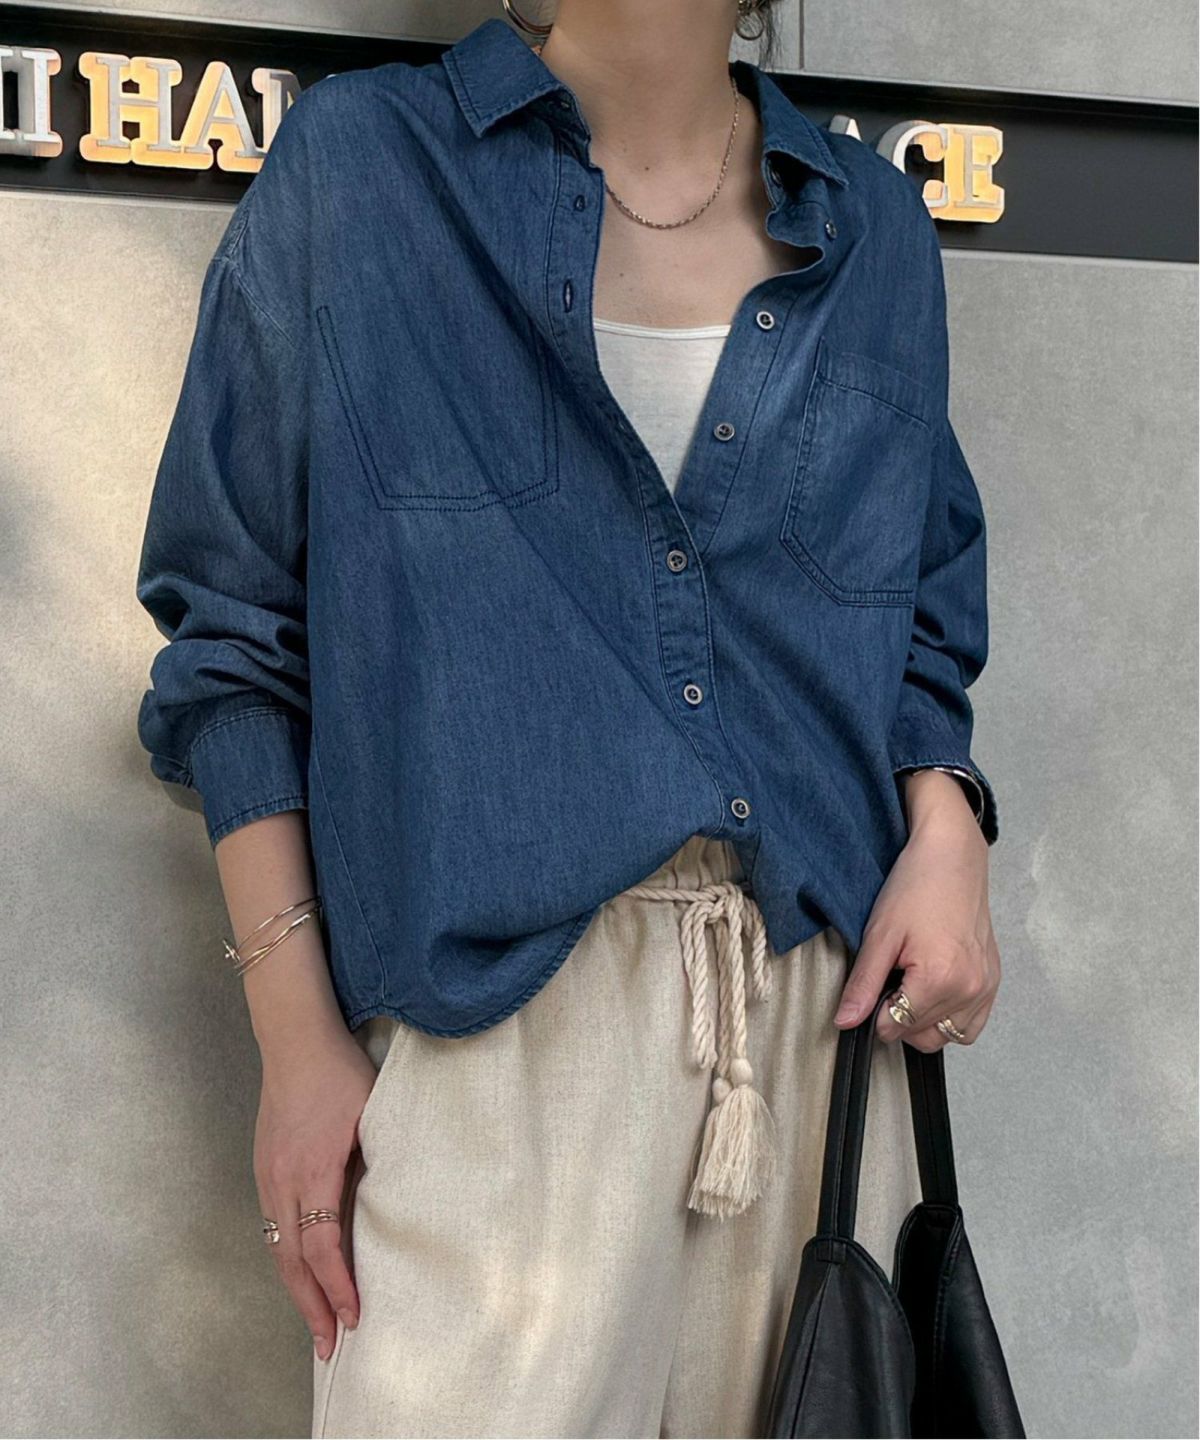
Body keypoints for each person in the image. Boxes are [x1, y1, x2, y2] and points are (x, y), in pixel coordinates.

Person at [134, 2, 1005, 1435]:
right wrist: (295, 1041)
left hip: (818, 1041)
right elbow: (234, 635)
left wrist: (950, 821)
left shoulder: (878, 234)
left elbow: (921, 614)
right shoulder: (364, 171)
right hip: (497, 1049)